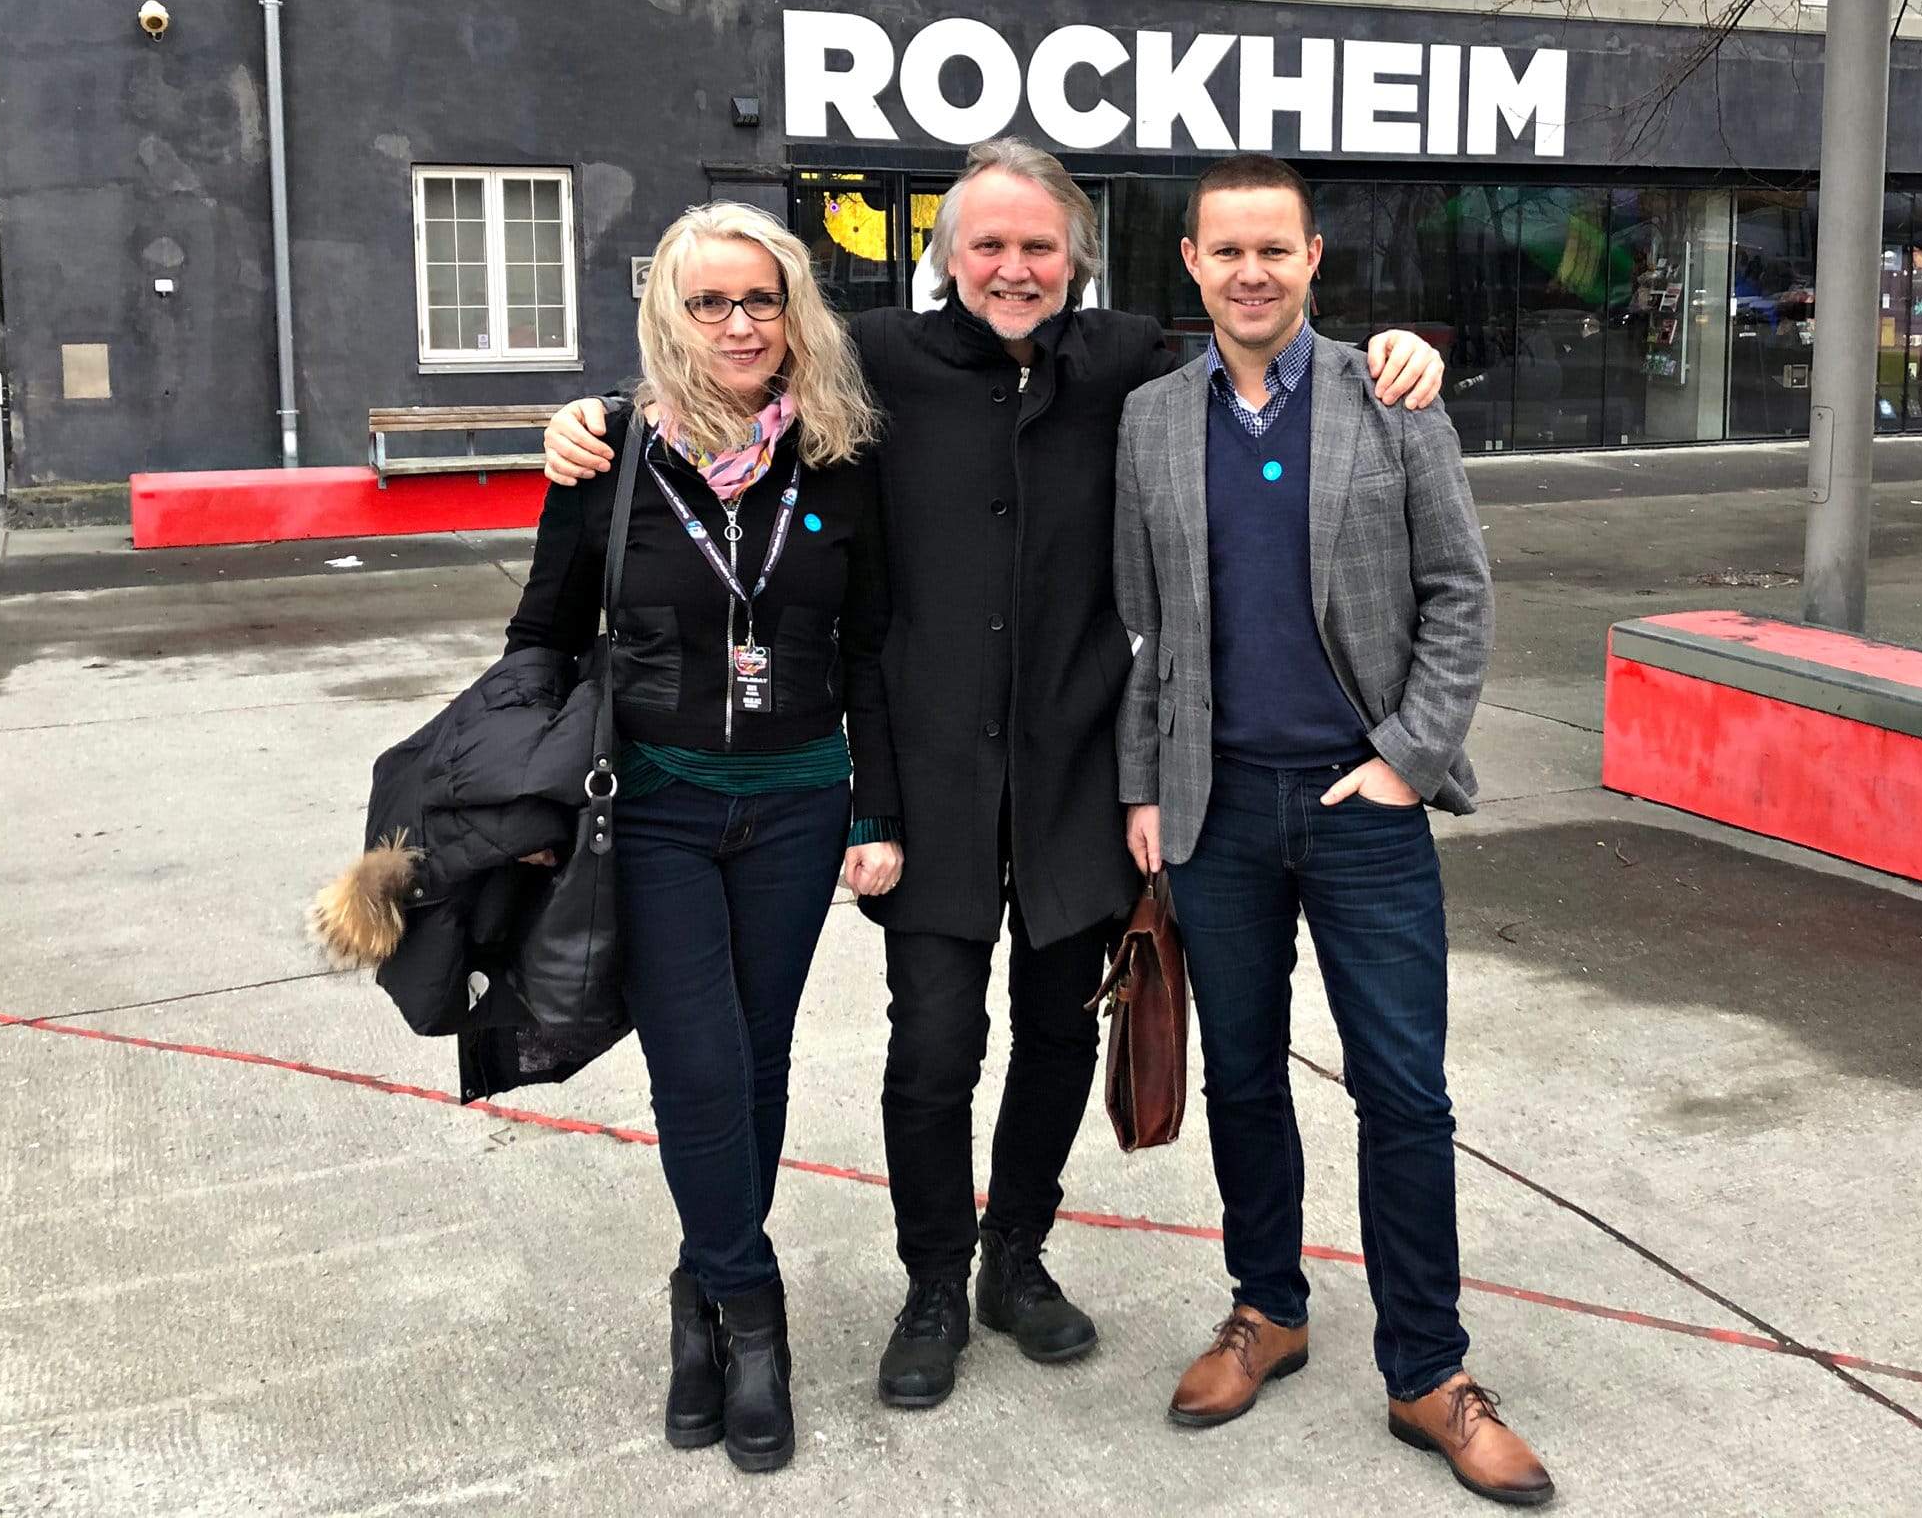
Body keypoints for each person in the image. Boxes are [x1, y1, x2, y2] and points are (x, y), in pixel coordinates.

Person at [541, 140, 1446, 1409]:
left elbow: (1259, 339)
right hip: (930, 780)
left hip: (1077, 772)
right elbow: (732, 358)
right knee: (932, 1047)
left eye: (1039, 246)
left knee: (1058, 1033)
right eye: (989, 245)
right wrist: (591, 413)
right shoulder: (878, 357)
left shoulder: (1125, 360)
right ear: (947, 256)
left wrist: (1396, 350)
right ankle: (931, 1279)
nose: (1015, 268)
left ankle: (1013, 1255)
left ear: (1075, 259)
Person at [1113, 155, 1552, 1508]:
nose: (1249, 271)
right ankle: (1269, 1307)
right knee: (1242, 1076)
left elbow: (1459, 593)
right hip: (1214, 806)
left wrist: (1408, 760)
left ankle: (1428, 1367)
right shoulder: (1149, 419)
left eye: (1274, 248)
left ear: (1313, 259)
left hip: (1361, 805)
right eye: (1226, 249)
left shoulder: (1392, 396)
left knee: (1404, 1091)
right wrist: (1142, 783)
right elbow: (1140, 624)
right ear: (1191, 263)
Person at [506, 204, 904, 1474]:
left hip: (799, 801)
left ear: (795, 312)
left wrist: (877, 807)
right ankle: (753, 1308)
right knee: (697, 1060)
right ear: (668, 316)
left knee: (759, 1056)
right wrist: (522, 800)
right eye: (711, 302)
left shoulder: (838, 455)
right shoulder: (608, 455)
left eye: (762, 299)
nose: (740, 325)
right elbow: (540, 634)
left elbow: (872, 648)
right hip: (657, 801)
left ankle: (699, 1292)